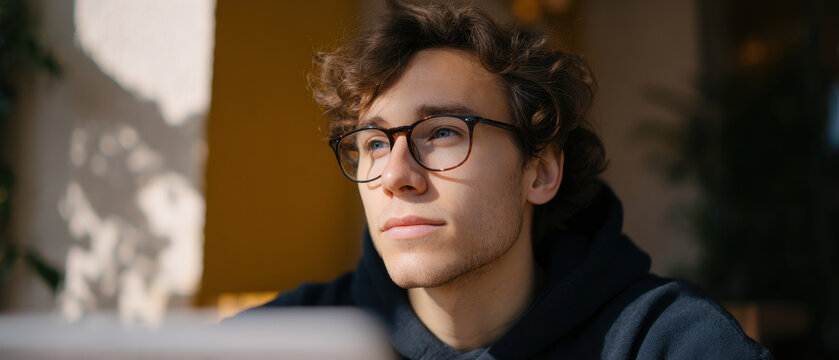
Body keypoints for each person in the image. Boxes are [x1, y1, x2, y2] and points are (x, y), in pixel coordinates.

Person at [241, 1, 771, 359]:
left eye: (443, 132)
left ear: (539, 171)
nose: (396, 176)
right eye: (375, 143)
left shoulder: (667, 342)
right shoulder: (287, 340)